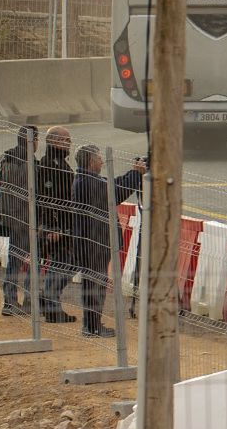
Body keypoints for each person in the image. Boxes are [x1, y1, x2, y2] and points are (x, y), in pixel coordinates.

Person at [64, 147, 146, 337]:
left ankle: (91, 324)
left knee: (94, 284)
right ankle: (91, 326)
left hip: (93, 240)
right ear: (91, 161)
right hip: (93, 241)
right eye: (99, 158)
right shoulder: (87, 181)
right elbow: (116, 193)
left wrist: (133, 172)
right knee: (95, 285)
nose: (102, 162)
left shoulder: (88, 179)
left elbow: (113, 184)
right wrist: (136, 173)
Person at [0, 126, 35, 315]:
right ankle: (28, 301)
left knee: (14, 261)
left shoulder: (7, 159)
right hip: (25, 220)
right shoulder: (27, 163)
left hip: (10, 217)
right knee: (32, 261)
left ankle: (10, 301)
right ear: (34, 141)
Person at [32, 126, 77, 322]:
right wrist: (52, 227)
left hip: (67, 224)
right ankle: (51, 305)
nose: (69, 144)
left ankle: (49, 301)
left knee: (66, 263)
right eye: (66, 140)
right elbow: (47, 198)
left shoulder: (60, 163)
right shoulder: (50, 164)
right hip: (59, 226)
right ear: (55, 141)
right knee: (62, 263)